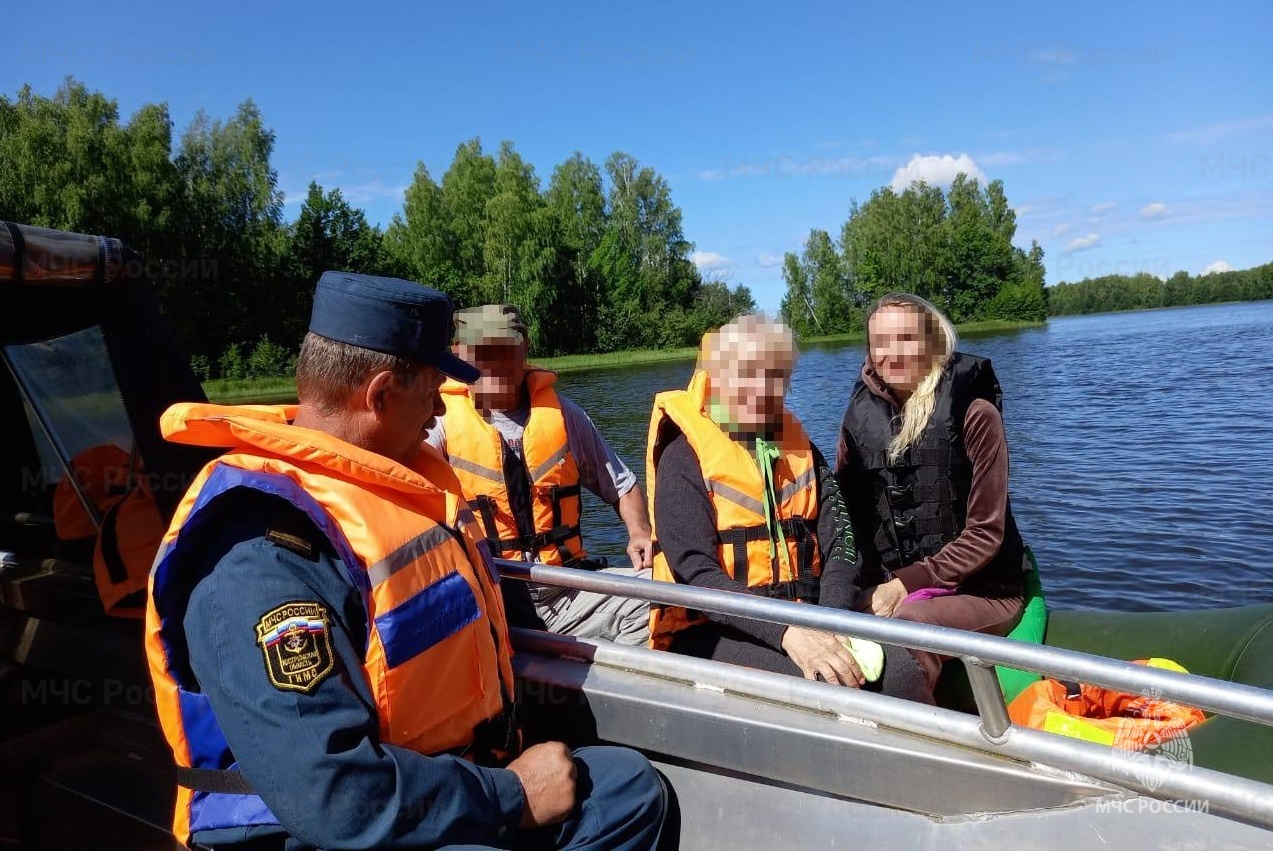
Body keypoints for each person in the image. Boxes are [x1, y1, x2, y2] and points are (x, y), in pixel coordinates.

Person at [144, 272, 665, 851]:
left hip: (438, 778)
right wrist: (513, 796)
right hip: (320, 829)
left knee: (631, 789)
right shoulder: (258, 558)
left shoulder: (389, 480)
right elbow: (337, 795)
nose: (443, 407)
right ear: (380, 394)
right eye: (433, 389)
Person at [645, 314, 932, 702]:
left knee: (902, 669)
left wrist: (827, 621)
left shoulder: (801, 450)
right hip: (714, 628)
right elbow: (695, 571)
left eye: (775, 375)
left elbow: (841, 545)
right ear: (718, 377)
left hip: (809, 615)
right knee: (832, 682)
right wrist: (787, 632)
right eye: (746, 373)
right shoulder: (683, 457)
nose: (761, 389)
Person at [426, 303, 652, 646]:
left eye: (504, 350)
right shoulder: (437, 424)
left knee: (658, 593)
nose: (494, 363)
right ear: (458, 355)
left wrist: (639, 531)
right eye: (481, 353)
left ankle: (595, 690)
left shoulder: (565, 416)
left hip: (567, 587)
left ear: (524, 350)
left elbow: (623, 485)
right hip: (492, 593)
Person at [836, 292, 1028, 689]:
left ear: (932, 343)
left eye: (906, 338)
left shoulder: (975, 414)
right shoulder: (858, 419)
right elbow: (846, 518)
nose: (893, 354)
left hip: (982, 589)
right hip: (889, 583)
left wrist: (903, 585)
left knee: (911, 627)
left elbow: (985, 534)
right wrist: (855, 587)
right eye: (881, 343)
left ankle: (917, 739)